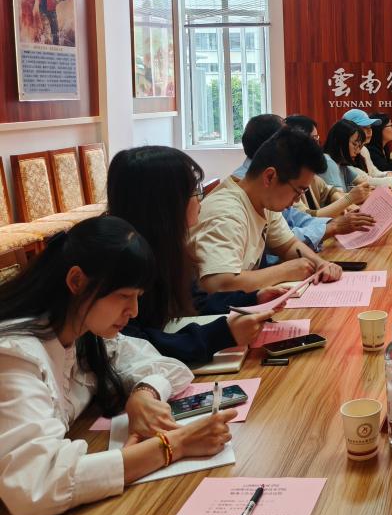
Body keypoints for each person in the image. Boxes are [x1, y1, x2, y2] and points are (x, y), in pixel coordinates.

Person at [0, 217, 235, 515]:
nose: (133, 311)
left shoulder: (83, 333)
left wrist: (143, 395)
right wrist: (175, 444)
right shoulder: (15, 356)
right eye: (124, 296)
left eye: (137, 297)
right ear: (76, 282)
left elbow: (164, 365)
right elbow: (35, 487)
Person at [107, 146, 287, 365]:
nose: (201, 200)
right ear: (165, 203)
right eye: (194, 192)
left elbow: (195, 299)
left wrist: (253, 299)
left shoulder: (165, 247)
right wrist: (221, 334)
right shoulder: (122, 261)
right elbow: (133, 346)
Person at [192, 127, 344, 293]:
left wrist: (320, 264)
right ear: (270, 177)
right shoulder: (226, 213)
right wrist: (284, 271)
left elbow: (288, 245)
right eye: (298, 191)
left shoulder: (263, 201)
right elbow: (219, 284)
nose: (297, 200)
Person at [234, 115, 373, 248]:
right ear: (271, 146)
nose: (314, 145)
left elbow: (293, 229)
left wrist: (335, 224)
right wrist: (336, 223)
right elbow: (289, 237)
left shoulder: (272, 182)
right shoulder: (250, 191)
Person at [342, 109, 392, 186]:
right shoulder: (344, 154)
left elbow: (373, 172)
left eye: (370, 127)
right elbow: (366, 180)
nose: (369, 131)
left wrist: (387, 174)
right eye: (364, 128)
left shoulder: (364, 149)